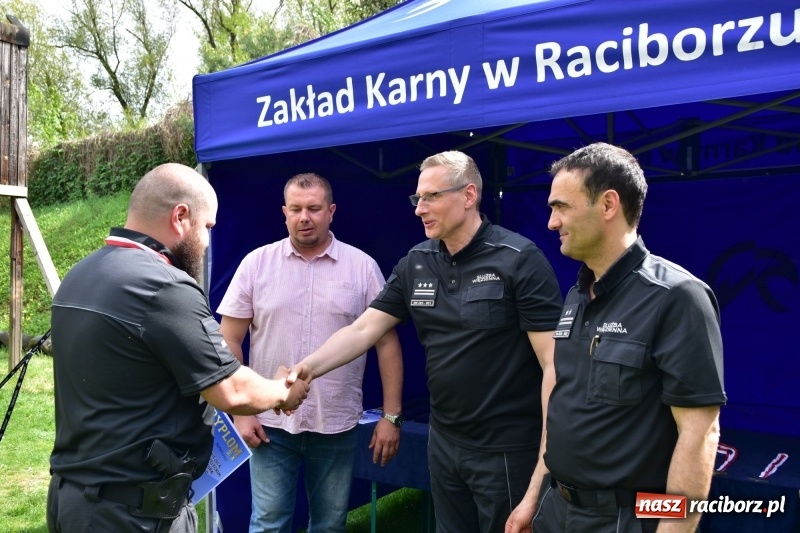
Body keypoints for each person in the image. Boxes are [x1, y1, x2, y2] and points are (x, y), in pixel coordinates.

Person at [287, 151, 563, 533]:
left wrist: (545, 464)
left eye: (431, 197)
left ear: (469, 196)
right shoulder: (416, 262)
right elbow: (363, 330)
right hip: (445, 443)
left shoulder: (519, 260)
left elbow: (555, 365)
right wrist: (305, 370)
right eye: (418, 199)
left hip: (507, 450)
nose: (420, 209)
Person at [46, 163, 310, 533]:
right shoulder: (162, 287)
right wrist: (283, 389)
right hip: (133, 512)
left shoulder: (80, 274)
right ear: (181, 217)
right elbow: (231, 390)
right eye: (207, 228)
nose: (205, 243)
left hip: (73, 498)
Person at [506, 143, 726, 533]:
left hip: (623, 519)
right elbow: (562, 408)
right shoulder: (576, 295)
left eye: (561, 207)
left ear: (608, 205)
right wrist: (533, 497)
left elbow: (700, 433)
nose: (551, 223)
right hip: (555, 509)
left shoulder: (677, 296)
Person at [217, 172, 404, 533]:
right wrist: (240, 413)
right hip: (269, 423)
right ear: (284, 212)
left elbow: (386, 343)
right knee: (269, 524)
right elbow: (229, 340)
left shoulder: (362, 267)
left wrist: (391, 415)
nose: (305, 217)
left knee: (330, 525)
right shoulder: (256, 264)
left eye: (315, 208)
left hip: (336, 421)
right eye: (297, 209)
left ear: (331, 211)